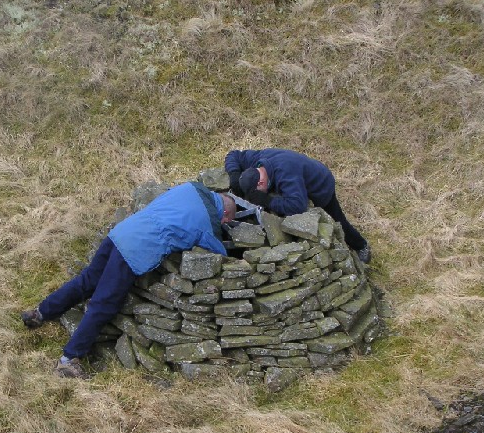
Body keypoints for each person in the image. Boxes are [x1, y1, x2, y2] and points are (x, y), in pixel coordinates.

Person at [22, 182, 237, 379]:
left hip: (121, 233)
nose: (225, 222)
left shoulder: (191, 188)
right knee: (104, 304)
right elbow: (217, 249)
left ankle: (40, 312)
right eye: (227, 219)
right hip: (135, 249)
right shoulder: (207, 221)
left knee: (88, 280)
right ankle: (68, 360)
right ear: (224, 212)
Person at [225, 148, 371, 263]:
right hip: (298, 169)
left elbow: (297, 205)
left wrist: (267, 201)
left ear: (261, 183)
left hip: (321, 183)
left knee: (336, 219)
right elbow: (233, 155)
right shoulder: (256, 162)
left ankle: (361, 246)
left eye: (254, 192)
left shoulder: (286, 174)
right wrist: (234, 175)